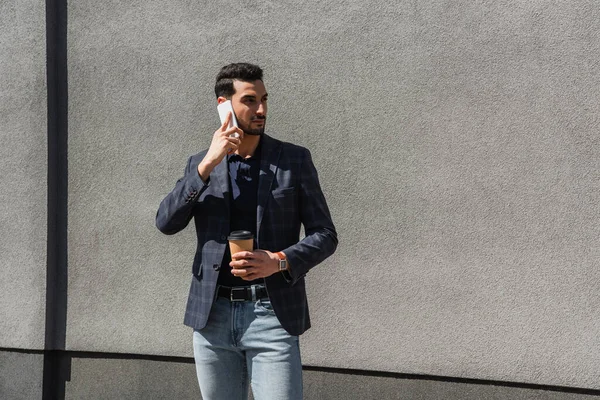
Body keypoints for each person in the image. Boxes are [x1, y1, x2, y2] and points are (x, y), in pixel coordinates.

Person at [156, 62, 337, 400]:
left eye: (264, 99)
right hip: (212, 317)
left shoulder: (293, 160)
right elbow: (166, 222)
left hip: (272, 314)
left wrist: (279, 260)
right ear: (224, 105)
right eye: (250, 100)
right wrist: (207, 163)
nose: (261, 109)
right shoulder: (202, 164)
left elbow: (325, 235)